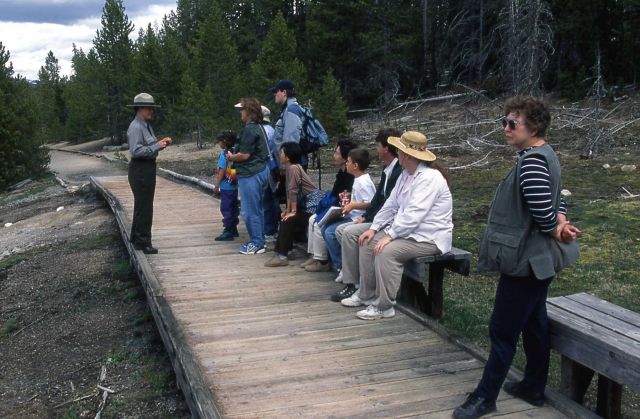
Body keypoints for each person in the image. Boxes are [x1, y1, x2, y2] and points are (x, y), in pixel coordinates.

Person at [452, 96, 581, 419]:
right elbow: (558, 200)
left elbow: (544, 214)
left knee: (502, 330)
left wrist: (557, 228)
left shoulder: (533, 161)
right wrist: (560, 223)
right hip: (537, 263)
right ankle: (533, 386)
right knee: (534, 325)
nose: (506, 128)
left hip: (526, 264)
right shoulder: (542, 155)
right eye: (504, 122)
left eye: (513, 123)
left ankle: (485, 397)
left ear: (534, 126)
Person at [340, 131, 453, 321]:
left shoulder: (430, 178)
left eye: (400, 150)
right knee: (368, 241)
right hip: (410, 232)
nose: (397, 153)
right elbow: (390, 205)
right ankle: (366, 294)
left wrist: (390, 235)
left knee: (386, 251)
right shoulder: (406, 175)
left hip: (429, 237)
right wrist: (374, 228)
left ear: (407, 155)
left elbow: (414, 215)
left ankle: (384, 306)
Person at [331, 128, 403, 302]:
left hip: (392, 223)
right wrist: (366, 217)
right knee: (342, 231)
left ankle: (355, 284)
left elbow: (390, 205)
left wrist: (373, 223)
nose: (376, 150)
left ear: (386, 148)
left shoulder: (399, 171)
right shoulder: (389, 169)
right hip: (381, 219)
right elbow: (379, 199)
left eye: (378, 146)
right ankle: (353, 278)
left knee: (350, 233)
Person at [126, 92, 172, 254]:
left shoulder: (145, 125)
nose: (152, 111)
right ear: (140, 108)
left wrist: (160, 144)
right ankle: (144, 242)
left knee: (143, 205)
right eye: (149, 108)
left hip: (146, 168)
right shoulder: (136, 127)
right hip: (140, 169)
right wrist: (157, 146)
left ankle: (137, 239)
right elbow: (136, 151)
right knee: (144, 206)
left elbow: (148, 146)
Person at [301, 139, 357, 272]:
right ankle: (314, 255)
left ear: (345, 158)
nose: (334, 156)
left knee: (318, 223)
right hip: (336, 206)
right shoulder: (341, 173)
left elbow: (345, 199)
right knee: (311, 219)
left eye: (337, 153)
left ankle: (323, 260)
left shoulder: (350, 177)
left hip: (344, 210)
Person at [321, 148, 376, 276]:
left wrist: (353, 205)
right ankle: (340, 264)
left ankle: (341, 267)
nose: (346, 164)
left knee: (330, 232)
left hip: (358, 218)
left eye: (348, 162)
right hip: (352, 215)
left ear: (355, 166)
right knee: (325, 228)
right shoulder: (357, 179)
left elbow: (370, 203)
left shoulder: (364, 182)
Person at [226, 98, 270, 255]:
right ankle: (260, 240)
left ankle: (257, 242)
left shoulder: (250, 129)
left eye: (242, 109)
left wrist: (231, 157)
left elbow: (244, 155)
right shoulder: (258, 127)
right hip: (261, 170)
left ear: (249, 112)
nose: (240, 112)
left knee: (249, 210)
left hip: (251, 173)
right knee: (258, 209)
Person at [264, 142, 317, 267]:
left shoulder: (293, 168)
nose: (279, 154)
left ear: (288, 157)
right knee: (285, 216)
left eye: (281, 152)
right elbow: (290, 193)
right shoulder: (290, 168)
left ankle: (282, 256)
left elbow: (293, 191)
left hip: (312, 207)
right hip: (305, 205)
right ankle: (288, 250)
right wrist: (288, 209)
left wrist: (292, 211)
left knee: (289, 219)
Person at [270, 79, 307, 168]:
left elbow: (290, 141)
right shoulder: (287, 109)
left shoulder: (291, 110)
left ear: (284, 92)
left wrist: (285, 166)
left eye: (276, 91)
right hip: (290, 163)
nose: (275, 94)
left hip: (291, 165)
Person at [213, 131, 240, 241]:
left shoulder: (224, 154)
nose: (219, 144)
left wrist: (216, 185)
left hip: (226, 186)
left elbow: (222, 170)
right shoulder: (234, 152)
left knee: (226, 207)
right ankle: (233, 227)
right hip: (234, 185)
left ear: (224, 142)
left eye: (219, 141)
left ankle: (228, 230)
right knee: (233, 207)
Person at [260, 105, 281, 241]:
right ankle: (272, 228)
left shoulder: (262, 131)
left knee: (267, 200)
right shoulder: (272, 130)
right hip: (272, 169)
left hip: (265, 169)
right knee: (272, 199)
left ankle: (269, 230)